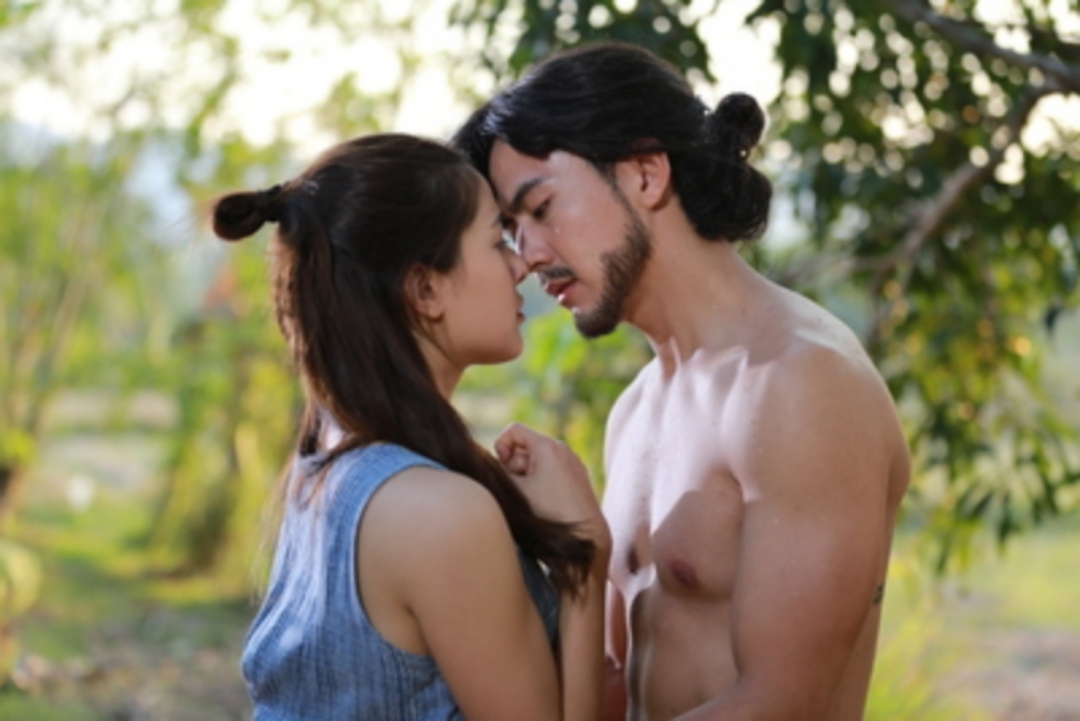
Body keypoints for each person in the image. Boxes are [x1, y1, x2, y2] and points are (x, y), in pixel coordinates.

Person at [454, 43, 911, 721]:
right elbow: (618, 691)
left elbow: (781, 704)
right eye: (513, 230)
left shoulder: (799, 383)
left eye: (542, 209)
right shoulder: (636, 410)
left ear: (646, 173)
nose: (530, 256)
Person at [212, 133, 611, 720]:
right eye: (496, 241)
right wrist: (583, 564)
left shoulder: (327, 464)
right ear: (425, 289)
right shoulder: (435, 512)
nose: (522, 263)